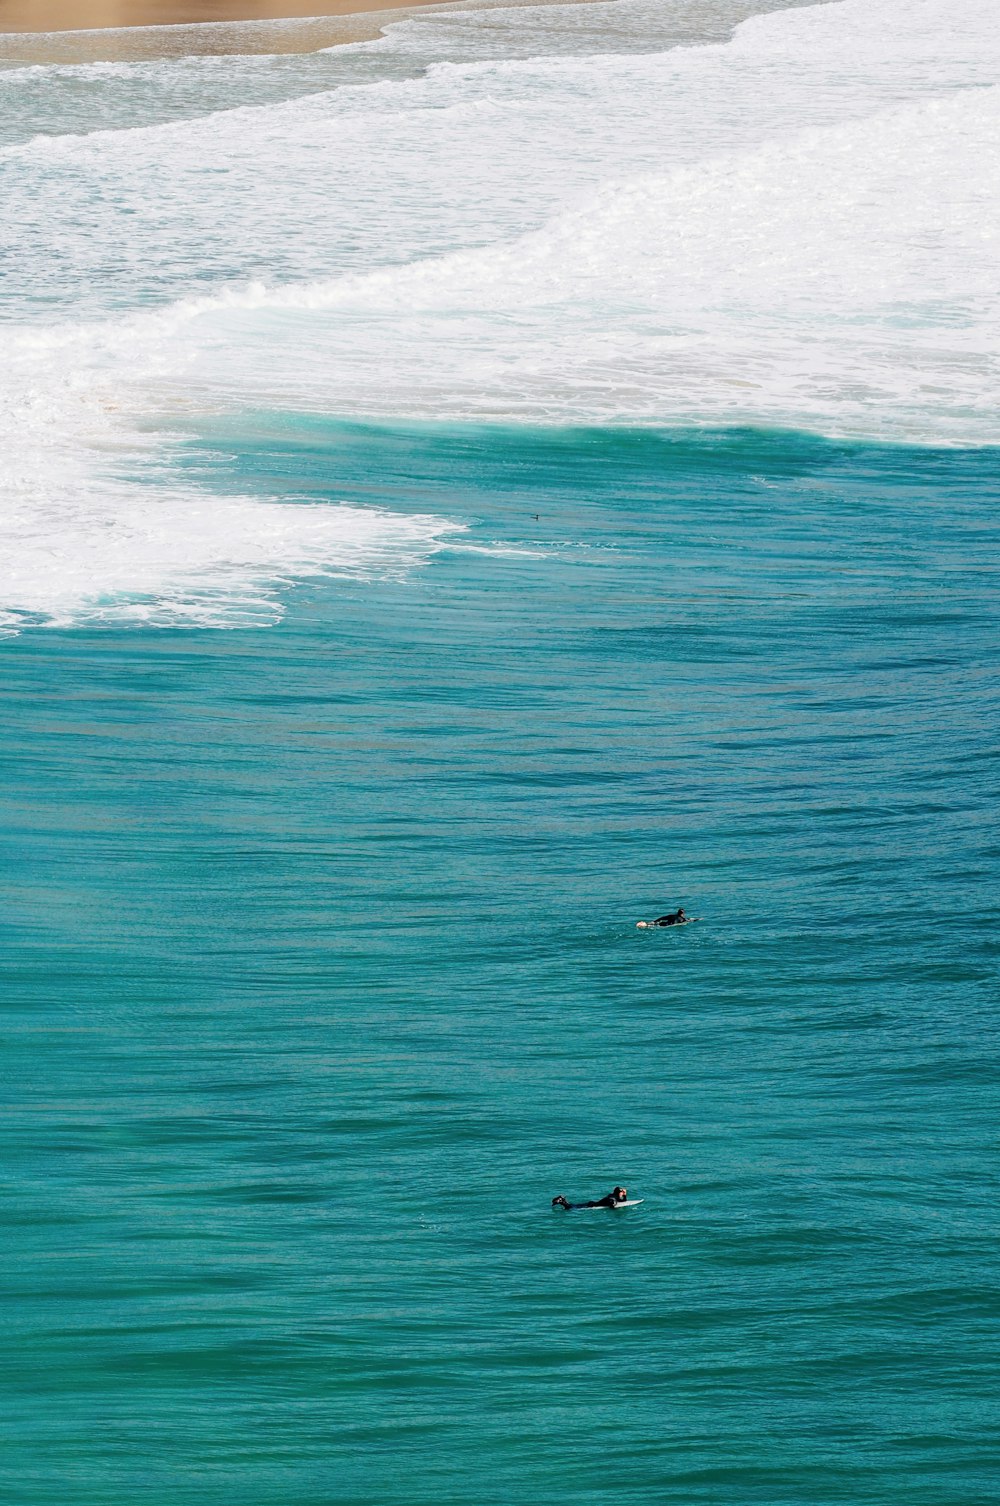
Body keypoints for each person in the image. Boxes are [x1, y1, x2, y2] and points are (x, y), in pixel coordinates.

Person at [552, 1186, 628, 1210]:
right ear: (619, 1193)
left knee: (573, 1206)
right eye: (622, 1193)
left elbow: (621, 1201)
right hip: (592, 1205)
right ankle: (561, 1201)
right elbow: (613, 1202)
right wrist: (614, 1208)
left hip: (592, 1203)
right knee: (571, 1208)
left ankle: (562, 1200)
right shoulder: (614, 1198)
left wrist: (624, 1195)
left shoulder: (611, 1195)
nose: (622, 1194)